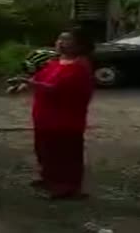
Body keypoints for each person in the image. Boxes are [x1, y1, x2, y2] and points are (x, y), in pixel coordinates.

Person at [11, 29, 95, 200]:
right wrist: (22, 86)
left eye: (66, 40)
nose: (60, 43)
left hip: (66, 118)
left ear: (80, 45)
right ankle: (49, 179)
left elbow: (60, 89)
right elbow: (40, 77)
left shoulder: (80, 66)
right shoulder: (55, 62)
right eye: (59, 39)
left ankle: (67, 187)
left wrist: (30, 83)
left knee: (65, 153)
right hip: (44, 116)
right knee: (45, 150)